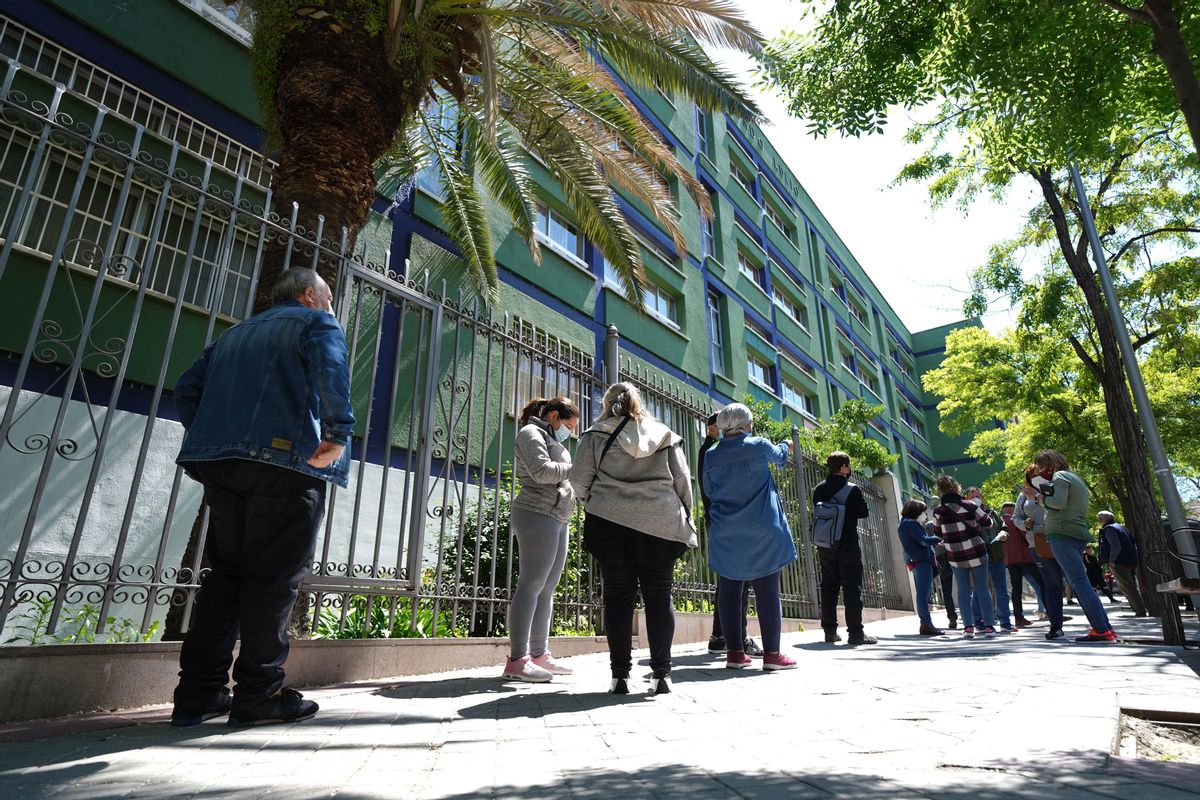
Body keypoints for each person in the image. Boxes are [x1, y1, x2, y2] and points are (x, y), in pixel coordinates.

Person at [170, 268, 353, 727]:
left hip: (222, 464)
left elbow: (186, 390)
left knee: (225, 579)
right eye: (328, 297)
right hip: (285, 463)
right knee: (273, 579)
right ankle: (258, 694)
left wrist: (216, 434)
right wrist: (337, 433)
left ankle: (198, 695)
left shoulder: (231, 335)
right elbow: (332, 372)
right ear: (311, 295)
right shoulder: (316, 322)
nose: (331, 306)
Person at [570, 383, 697, 695]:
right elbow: (682, 481)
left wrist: (596, 502)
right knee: (659, 597)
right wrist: (686, 515)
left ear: (608, 403)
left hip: (610, 525)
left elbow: (577, 480)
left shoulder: (595, 434)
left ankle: (620, 676)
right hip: (660, 524)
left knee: (617, 597)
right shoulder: (665, 435)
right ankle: (662, 675)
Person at [702, 403, 798, 671]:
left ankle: (734, 653)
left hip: (725, 530)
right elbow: (780, 457)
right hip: (762, 527)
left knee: (730, 589)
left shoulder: (711, 454)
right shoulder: (757, 445)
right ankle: (773, 655)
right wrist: (786, 443)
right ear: (744, 425)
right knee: (767, 590)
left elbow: (708, 489)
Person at [503, 396, 581, 683]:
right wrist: (578, 467)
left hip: (558, 516)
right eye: (568, 426)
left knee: (547, 588)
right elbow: (541, 472)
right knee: (531, 584)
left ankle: (539, 654)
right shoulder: (530, 433)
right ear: (554, 417)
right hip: (536, 512)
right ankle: (517, 659)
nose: (570, 433)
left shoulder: (550, 438)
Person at [1020, 450, 1119, 643]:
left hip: (1063, 534)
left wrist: (1036, 497)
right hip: (1074, 532)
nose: (1040, 472)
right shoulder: (1074, 477)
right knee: (1081, 583)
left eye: (1041, 467)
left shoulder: (1060, 476)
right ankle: (1105, 627)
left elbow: (1058, 503)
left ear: (1050, 464)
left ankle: (1101, 630)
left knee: (1080, 583)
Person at [699, 413, 761, 658]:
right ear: (713, 428)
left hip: (720, 520)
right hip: (726, 521)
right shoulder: (714, 451)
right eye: (723, 427)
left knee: (729, 582)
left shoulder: (712, 450)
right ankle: (738, 638)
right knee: (739, 581)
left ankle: (720, 637)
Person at [812, 452, 876, 646]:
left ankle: (830, 631)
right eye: (848, 466)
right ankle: (856, 633)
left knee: (829, 586)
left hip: (826, 544)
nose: (850, 469)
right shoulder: (852, 489)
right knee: (852, 588)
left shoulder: (819, 489)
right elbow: (863, 513)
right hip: (847, 543)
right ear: (842, 467)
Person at [932, 475, 996, 639]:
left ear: (941, 490)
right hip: (976, 550)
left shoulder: (938, 512)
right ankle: (989, 626)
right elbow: (988, 523)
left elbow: (938, 532)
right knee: (982, 588)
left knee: (963, 589)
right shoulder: (970, 505)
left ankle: (968, 627)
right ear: (957, 487)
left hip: (955, 553)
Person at [1015, 464, 1069, 639]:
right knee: (1050, 583)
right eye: (1032, 475)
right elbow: (1017, 517)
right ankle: (1055, 625)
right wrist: (1025, 524)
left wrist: (1039, 496)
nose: (1036, 477)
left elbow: (1061, 507)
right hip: (1037, 542)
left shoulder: (1054, 488)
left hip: (1060, 537)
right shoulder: (1023, 496)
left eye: (1039, 474)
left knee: (1075, 580)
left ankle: (1099, 624)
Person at [964, 487, 1013, 633]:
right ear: (966, 498)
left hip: (996, 553)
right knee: (980, 589)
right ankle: (978, 620)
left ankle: (1005, 621)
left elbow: (1004, 528)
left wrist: (1004, 534)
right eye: (972, 496)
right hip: (978, 555)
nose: (976, 498)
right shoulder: (966, 514)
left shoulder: (992, 512)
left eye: (978, 495)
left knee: (1002, 589)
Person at [897, 500, 942, 636]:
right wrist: (939, 538)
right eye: (923, 511)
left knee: (922, 593)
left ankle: (926, 623)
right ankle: (926, 624)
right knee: (923, 594)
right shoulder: (911, 524)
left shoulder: (904, 524)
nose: (924, 515)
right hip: (921, 560)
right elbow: (923, 540)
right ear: (916, 511)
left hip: (916, 560)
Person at [1000, 501, 1045, 628]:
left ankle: (1018, 618)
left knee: (1016, 589)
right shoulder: (1015, 521)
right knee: (1042, 584)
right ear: (1011, 510)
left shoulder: (1000, 522)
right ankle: (1052, 613)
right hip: (1025, 557)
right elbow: (1025, 536)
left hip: (1010, 560)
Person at [1098, 511, 1149, 617]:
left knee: (1127, 587)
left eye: (1100, 519)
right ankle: (1140, 608)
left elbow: (1116, 546)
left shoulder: (1109, 529)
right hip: (1130, 560)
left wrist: (1112, 560)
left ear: (1103, 519)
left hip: (1119, 562)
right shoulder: (1122, 528)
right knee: (1131, 586)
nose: (1099, 521)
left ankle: (1140, 611)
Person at [933, 536, 958, 629]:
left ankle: (952, 618)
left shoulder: (930, 526)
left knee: (947, 590)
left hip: (944, 558)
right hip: (953, 556)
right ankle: (970, 617)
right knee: (965, 586)